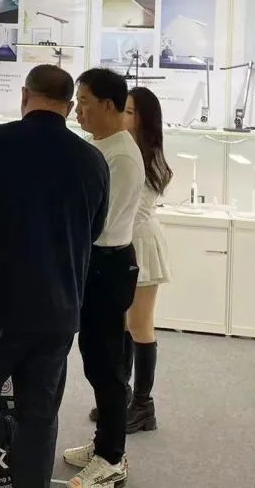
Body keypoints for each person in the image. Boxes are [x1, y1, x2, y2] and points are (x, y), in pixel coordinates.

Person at [0, 65, 109, 488]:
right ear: (68, 106)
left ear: (24, 96)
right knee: (38, 419)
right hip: (57, 312)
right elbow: (95, 229)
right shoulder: (92, 160)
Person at [63, 68, 143, 488]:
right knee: (95, 358)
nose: (78, 111)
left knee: (106, 364)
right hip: (94, 262)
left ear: (109, 105)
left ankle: (112, 457)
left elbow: (101, 222)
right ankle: (103, 444)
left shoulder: (121, 156)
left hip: (108, 265)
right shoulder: (100, 145)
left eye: (84, 103)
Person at [85, 87, 173, 434]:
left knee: (140, 325)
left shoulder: (144, 158)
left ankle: (143, 405)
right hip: (123, 244)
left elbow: (133, 210)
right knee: (122, 325)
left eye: (131, 111)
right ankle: (121, 395)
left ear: (144, 119)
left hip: (140, 244)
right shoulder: (119, 149)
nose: (124, 116)